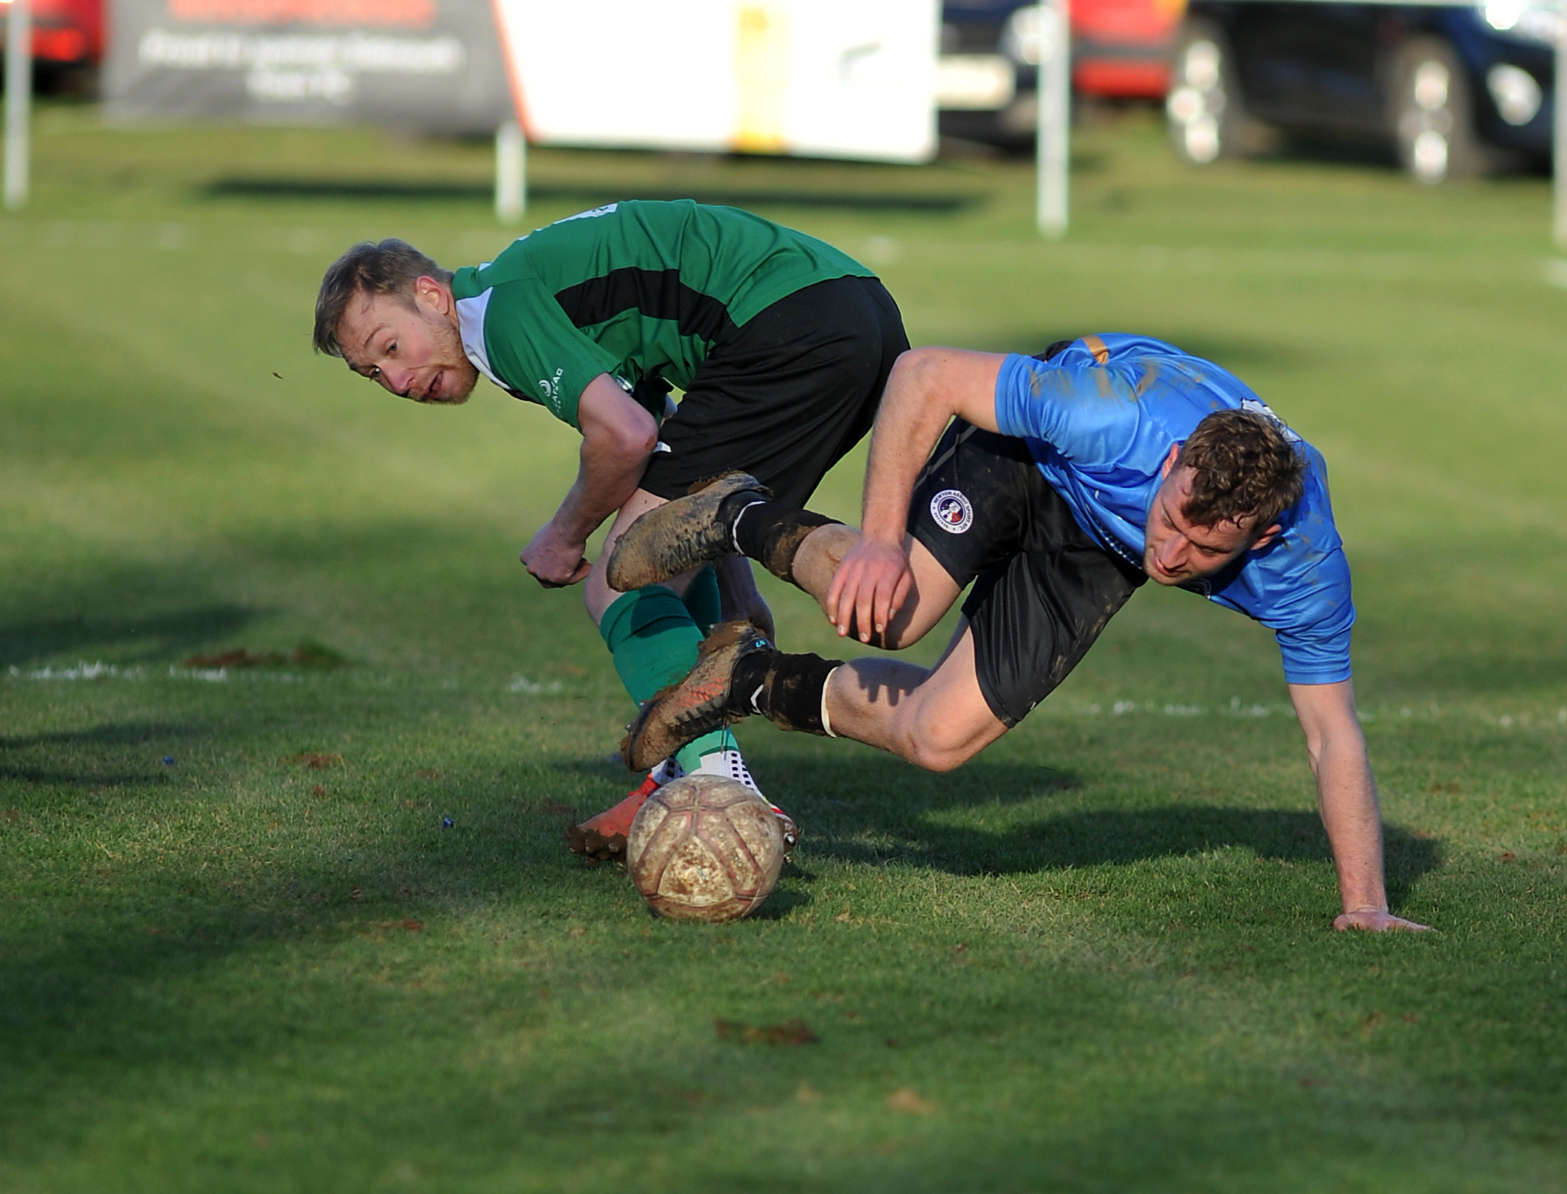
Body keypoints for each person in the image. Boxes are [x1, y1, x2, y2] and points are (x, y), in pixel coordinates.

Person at [607, 333, 1430, 932]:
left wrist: (1365, 906)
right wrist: (883, 541)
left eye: (1206, 549)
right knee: (892, 609)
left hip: (1096, 545)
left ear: (1263, 537)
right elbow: (921, 373)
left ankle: (743, 679)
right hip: (1024, 455)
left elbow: (1332, 734)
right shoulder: (1111, 417)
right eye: (1174, 519)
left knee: (938, 739)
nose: (1172, 554)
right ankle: (736, 511)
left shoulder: (1305, 565)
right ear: (1173, 458)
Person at [311, 200, 908, 854]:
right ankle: (670, 778)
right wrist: (736, 589)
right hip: (858, 311)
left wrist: (564, 535)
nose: (394, 379)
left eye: (390, 347)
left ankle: (719, 788)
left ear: (431, 295)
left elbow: (624, 436)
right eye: (373, 373)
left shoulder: (499, 311)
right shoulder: (517, 297)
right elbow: (682, 467)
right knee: (660, 559)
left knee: (618, 585)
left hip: (785, 324)